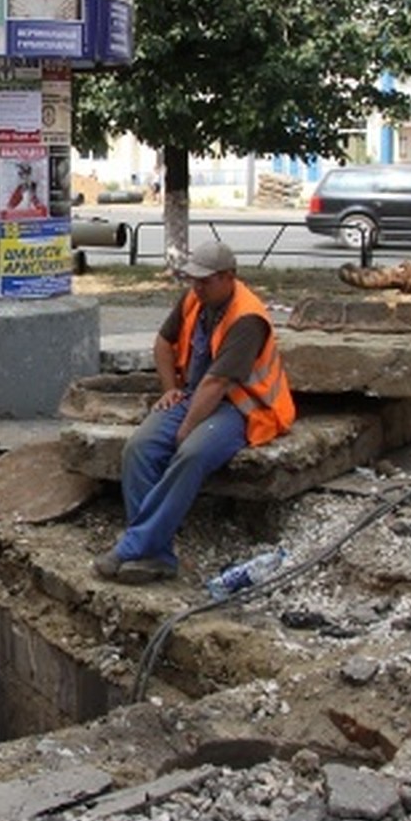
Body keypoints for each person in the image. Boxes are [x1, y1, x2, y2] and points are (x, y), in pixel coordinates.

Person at [92, 241, 295, 584]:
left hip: (244, 406)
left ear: (229, 277)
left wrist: (187, 426)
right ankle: (157, 556)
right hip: (195, 395)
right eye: (193, 280)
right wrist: (170, 389)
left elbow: (218, 382)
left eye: (205, 281)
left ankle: (133, 545)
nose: (196, 287)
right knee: (140, 448)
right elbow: (162, 343)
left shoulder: (247, 318)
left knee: (192, 453)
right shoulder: (194, 299)